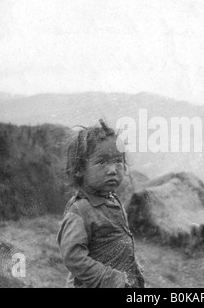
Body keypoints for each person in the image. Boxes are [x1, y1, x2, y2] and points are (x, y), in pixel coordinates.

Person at [57, 120, 144, 288]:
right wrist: (109, 278)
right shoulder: (80, 211)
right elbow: (73, 257)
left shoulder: (112, 200)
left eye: (118, 161)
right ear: (79, 169)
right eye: (102, 162)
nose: (113, 169)